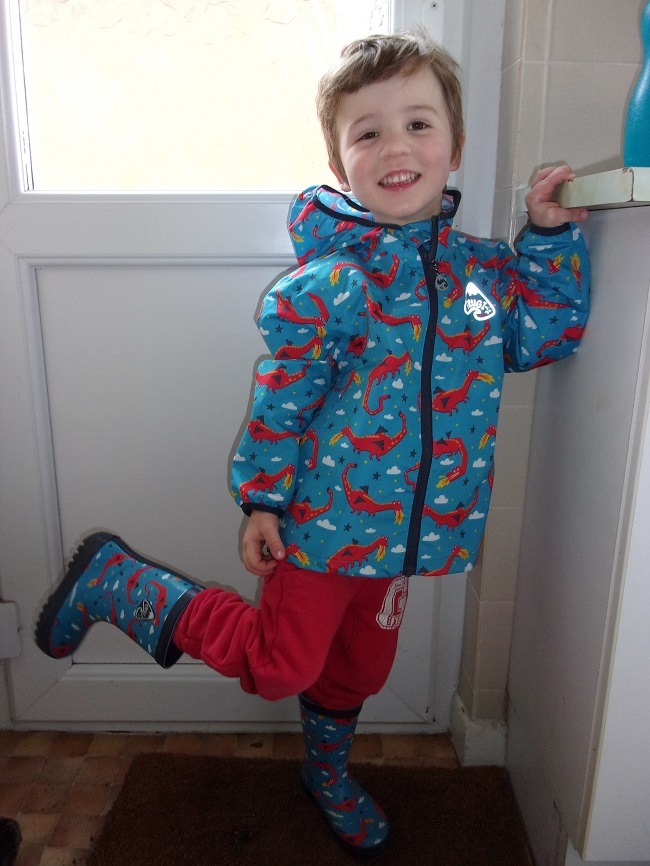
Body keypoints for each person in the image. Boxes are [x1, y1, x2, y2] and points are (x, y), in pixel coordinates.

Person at [34, 31, 590, 860]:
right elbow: (280, 403)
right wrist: (261, 499)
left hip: (411, 536)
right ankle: (121, 581)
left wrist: (545, 238)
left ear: (456, 145)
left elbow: (538, 338)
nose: (396, 147)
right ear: (340, 164)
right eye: (368, 133)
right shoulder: (333, 285)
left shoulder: (482, 279)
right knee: (278, 667)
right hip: (320, 528)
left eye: (417, 124)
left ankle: (326, 775)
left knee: (361, 671)